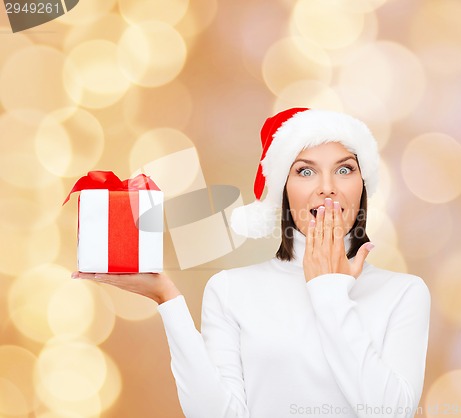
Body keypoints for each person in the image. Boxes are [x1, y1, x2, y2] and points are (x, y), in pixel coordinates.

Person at [72, 108, 431, 418]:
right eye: (305, 171)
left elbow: (391, 412)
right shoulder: (231, 290)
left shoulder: (404, 293)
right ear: (283, 191)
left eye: (344, 170)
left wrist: (330, 291)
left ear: (363, 185)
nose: (327, 187)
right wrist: (168, 300)